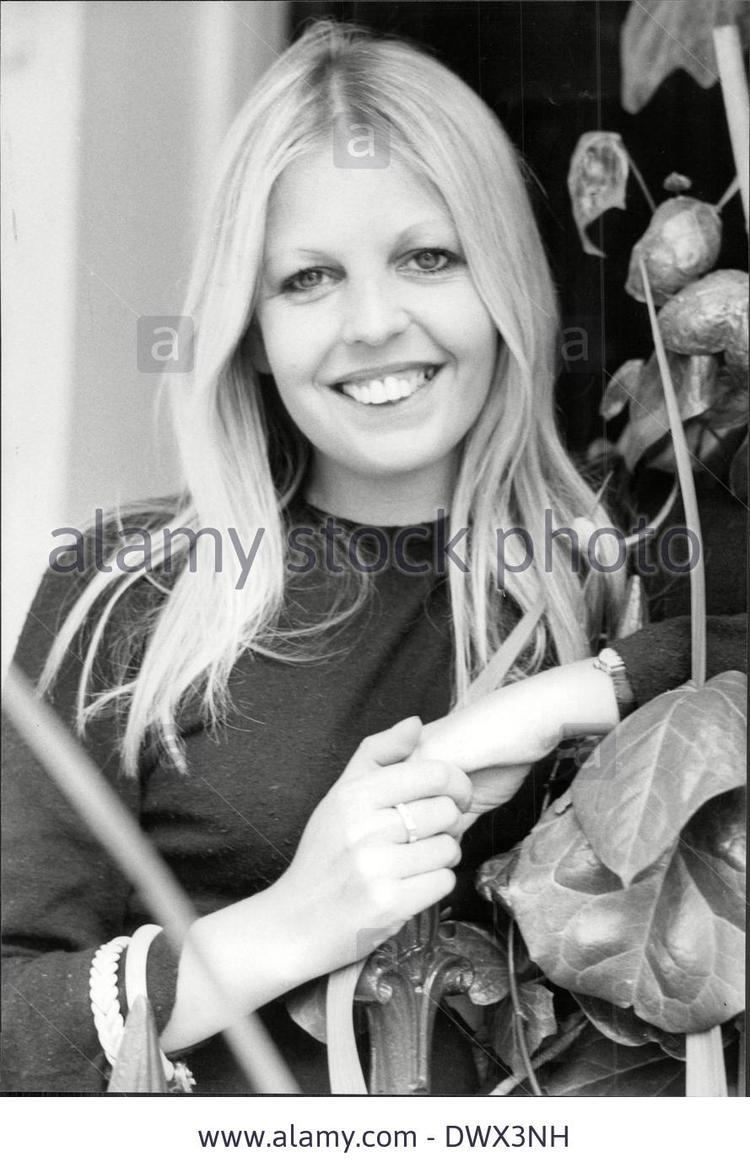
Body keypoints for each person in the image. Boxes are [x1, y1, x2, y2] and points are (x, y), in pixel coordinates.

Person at [2, 21, 744, 1095]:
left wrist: (563, 698)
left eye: (428, 257)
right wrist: (288, 927)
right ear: (249, 328)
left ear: (505, 282)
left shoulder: (629, 566)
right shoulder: (130, 594)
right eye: (306, 279)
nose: (373, 323)